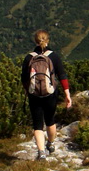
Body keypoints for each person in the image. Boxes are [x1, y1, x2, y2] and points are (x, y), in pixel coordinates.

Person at [21, 29, 72, 160]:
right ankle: (51, 143)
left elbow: (24, 78)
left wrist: (28, 91)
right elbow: (62, 75)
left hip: (34, 95)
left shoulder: (29, 57)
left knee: (37, 125)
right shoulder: (53, 56)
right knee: (50, 121)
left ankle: (41, 152)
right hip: (50, 94)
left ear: (35, 41)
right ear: (47, 40)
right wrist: (67, 95)